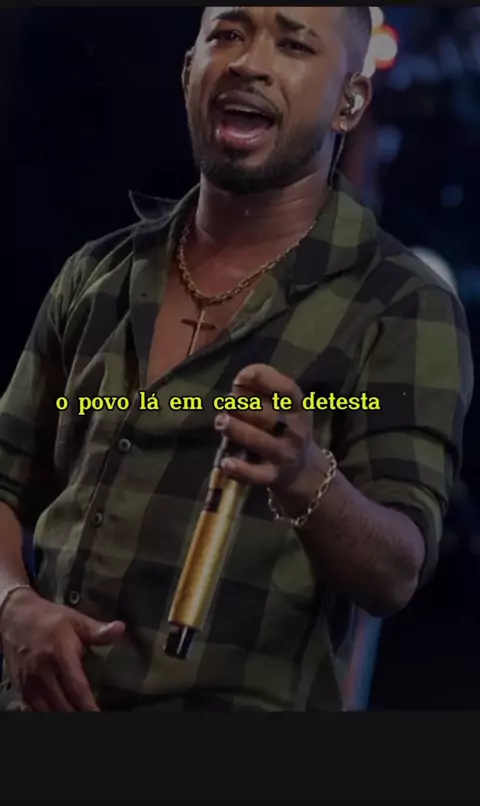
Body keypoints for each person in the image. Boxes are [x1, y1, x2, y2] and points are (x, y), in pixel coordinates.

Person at [0, 6, 473, 713]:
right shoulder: (96, 276)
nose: (248, 63)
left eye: (293, 45)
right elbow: (6, 482)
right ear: (188, 71)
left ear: (349, 102)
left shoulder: (401, 304)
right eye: (226, 35)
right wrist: (14, 605)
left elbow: (397, 570)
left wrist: (306, 477)